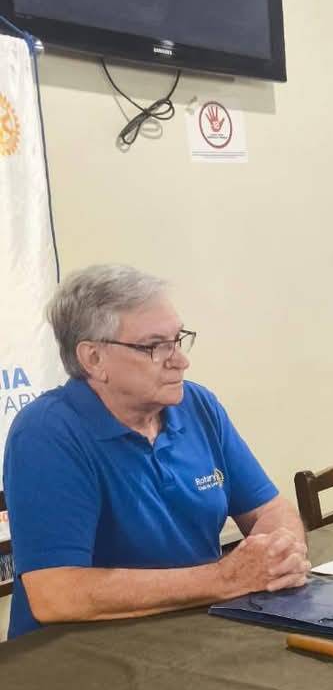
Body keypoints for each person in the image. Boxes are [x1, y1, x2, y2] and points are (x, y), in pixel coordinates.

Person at [3, 264, 309, 641]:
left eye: (177, 339)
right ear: (94, 359)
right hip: (80, 657)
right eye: (154, 346)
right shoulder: (46, 433)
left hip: (192, 630)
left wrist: (280, 553)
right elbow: (58, 594)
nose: (180, 360)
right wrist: (225, 578)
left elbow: (270, 509)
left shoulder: (197, 405)